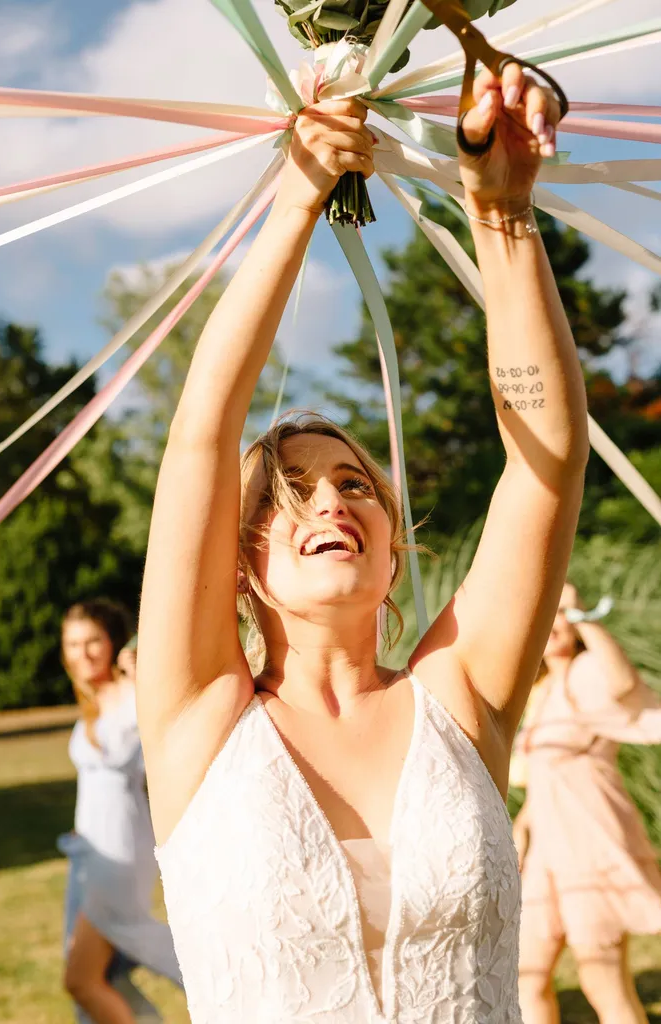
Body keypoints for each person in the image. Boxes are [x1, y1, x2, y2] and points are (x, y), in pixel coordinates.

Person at [137, 63, 590, 1023]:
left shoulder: (460, 698)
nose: (329, 503)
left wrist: (502, 214)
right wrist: (298, 195)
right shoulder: (197, 720)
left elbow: (545, 465)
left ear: (392, 551)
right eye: (291, 493)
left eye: (355, 486)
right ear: (240, 556)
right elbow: (200, 439)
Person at [513, 582, 661, 1024]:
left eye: (563, 615)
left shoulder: (588, 673)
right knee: (526, 977)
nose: (555, 623)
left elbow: (624, 683)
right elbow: (544, 776)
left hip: (588, 839)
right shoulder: (541, 693)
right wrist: (522, 825)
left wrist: (582, 614)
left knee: (602, 981)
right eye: (549, 614)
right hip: (546, 848)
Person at [58, 599, 182, 1024]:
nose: (83, 653)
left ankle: (226, 981)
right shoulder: (92, 703)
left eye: (92, 640)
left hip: (120, 849)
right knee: (106, 976)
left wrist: (142, 679)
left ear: (112, 643)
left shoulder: (135, 695)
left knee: (81, 978)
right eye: (73, 643)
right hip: (91, 851)